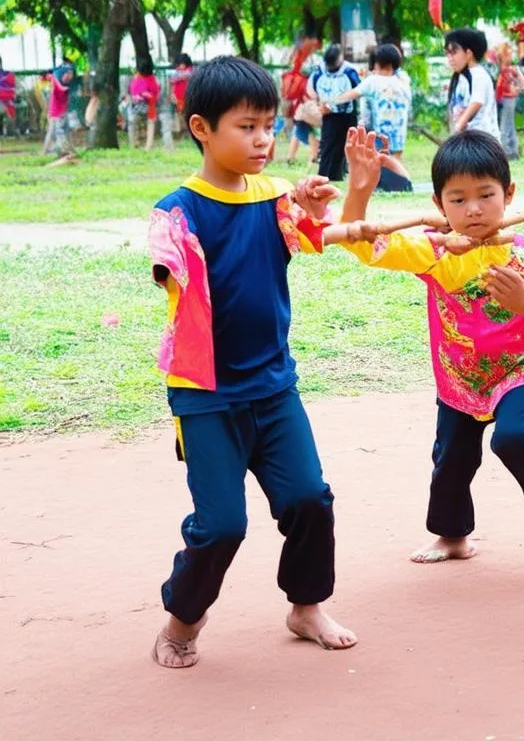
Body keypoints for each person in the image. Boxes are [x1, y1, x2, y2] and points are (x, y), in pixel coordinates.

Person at [147, 55, 356, 669]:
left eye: (269, 125)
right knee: (221, 527)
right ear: (201, 128)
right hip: (205, 395)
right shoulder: (178, 208)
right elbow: (167, 261)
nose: (263, 139)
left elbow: (318, 234)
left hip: (273, 386)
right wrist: (171, 261)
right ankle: (183, 619)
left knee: (311, 499)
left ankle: (306, 605)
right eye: (247, 126)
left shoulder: (276, 197)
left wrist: (317, 209)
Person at [322, 128, 524, 592]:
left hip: (522, 370)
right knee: (451, 459)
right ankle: (453, 535)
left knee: (516, 439)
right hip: (460, 378)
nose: (475, 209)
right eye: (458, 200)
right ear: (441, 205)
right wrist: (360, 189)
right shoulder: (433, 250)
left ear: (510, 194)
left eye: (486, 195)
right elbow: (361, 245)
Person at [332, 42, 413, 192]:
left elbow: (353, 94)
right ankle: (404, 183)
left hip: (380, 131)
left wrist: (333, 100)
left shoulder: (373, 81)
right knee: (395, 158)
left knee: (377, 159)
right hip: (399, 130)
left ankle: (378, 186)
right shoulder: (403, 81)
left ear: (377, 63)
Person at [310, 43, 361, 181]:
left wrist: (339, 102)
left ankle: (337, 175)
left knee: (346, 145)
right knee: (328, 144)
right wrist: (319, 103)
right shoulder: (319, 69)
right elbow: (311, 88)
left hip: (348, 113)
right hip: (328, 113)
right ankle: (323, 175)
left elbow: (358, 90)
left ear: (341, 58)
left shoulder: (350, 71)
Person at [445, 28, 500, 140]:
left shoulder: (479, 74)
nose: (450, 59)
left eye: (454, 53)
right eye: (448, 54)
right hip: (466, 138)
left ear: (468, 53)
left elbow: (476, 102)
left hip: (482, 140)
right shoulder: (460, 77)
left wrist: (459, 125)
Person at [494, 42, 524, 159]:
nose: (510, 55)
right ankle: (512, 150)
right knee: (509, 125)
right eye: (507, 53)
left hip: (508, 100)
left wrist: (516, 89)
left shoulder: (509, 71)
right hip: (504, 100)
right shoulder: (503, 71)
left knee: (505, 125)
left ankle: (507, 152)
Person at [46, 58, 76, 159]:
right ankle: (61, 151)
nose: (69, 77)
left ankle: (68, 150)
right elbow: (60, 87)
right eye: (67, 74)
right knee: (57, 132)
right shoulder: (56, 80)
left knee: (63, 131)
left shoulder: (64, 82)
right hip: (55, 112)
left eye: (71, 74)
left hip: (62, 111)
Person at [129, 67, 161, 150]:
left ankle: (142, 144)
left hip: (143, 106)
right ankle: (145, 145)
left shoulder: (137, 80)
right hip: (147, 105)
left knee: (138, 125)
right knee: (143, 125)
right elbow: (156, 91)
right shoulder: (151, 79)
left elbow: (134, 94)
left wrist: (143, 95)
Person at [169, 55, 194, 137]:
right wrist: (172, 94)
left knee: (188, 114)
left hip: (188, 96)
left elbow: (185, 75)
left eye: (182, 63)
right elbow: (172, 84)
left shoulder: (190, 71)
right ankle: (184, 131)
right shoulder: (177, 72)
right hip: (178, 97)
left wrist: (175, 77)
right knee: (181, 114)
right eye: (179, 64)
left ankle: (189, 131)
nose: (180, 66)